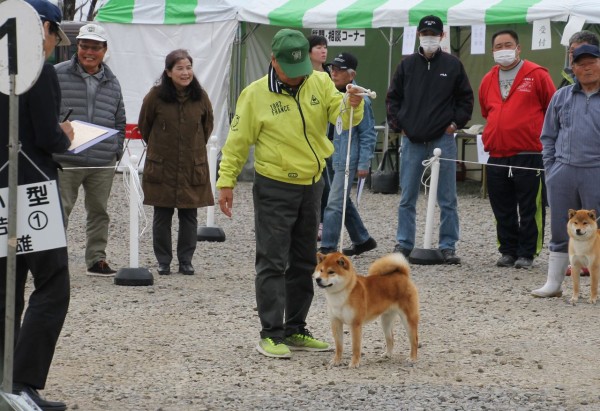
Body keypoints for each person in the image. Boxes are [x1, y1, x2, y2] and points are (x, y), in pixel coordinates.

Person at [216, 29, 364, 359]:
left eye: (301, 71)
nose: (297, 78)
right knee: (272, 259)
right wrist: (226, 182)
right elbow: (237, 142)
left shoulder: (320, 81)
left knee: (303, 260)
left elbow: (340, 118)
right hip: (274, 185)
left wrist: (351, 104)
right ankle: (270, 333)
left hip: (312, 184)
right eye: (289, 71)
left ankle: (296, 328)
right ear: (273, 61)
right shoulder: (254, 95)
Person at [0, 1, 74, 409]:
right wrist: (64, 133)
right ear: (41, 27)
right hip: (33, 188)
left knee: (5, 285)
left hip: (0, 189)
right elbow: (48, 136)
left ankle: (3, 379)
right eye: (53, 35)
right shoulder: (38, 71)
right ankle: (22, 382)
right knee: (52, 283)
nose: (51, 46)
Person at [386, 15, 474, 264]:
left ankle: (448, 245)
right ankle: (404, 243)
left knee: (447, 196)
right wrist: (398, 126)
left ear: (442, 36)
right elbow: (393, 98)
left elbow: (465, 99)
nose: (429, 37)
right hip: (411, 139)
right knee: (407, 195)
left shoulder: (453, 65)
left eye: (434, 34)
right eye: (425, 33)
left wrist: (455, 124)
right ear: (417, 35)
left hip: (442, 138)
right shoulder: (406, 65)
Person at [479, 30, 556, 269]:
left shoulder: (537, 74)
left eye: (508, 44)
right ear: (493, 51)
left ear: (518, 48)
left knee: (530, 205)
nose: (503, 49)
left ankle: (527, 252)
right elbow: (486, 110)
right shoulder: (488, 79)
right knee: (501, 205)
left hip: (529, 152)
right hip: (497, 153)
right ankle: (508, 250)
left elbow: (552, 106)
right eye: (498, 46)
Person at [54, 23, 126, 276]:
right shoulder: (57, 73)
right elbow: (42, 112)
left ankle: (96, 259)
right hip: (66, 157)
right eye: (85, 46)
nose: (89, 52)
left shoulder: (112, 80)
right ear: (78, 46)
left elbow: (119, 118)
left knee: (99, 212)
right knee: (59, 210)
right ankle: (53, 261)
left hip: (101, 161)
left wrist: (115, 151)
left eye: (95, 47)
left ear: (104, 50)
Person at [531, 44, 600, 298]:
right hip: (563, 171)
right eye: (580, 64)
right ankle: (554, 283)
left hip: (596, 169)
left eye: (592, 61)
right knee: (562, 227)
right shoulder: (561, 96)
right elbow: (548, 136)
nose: (587, 68)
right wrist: (552, 169)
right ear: (573, 69)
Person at [138, 49, 214, 276]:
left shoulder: (200, 96)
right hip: (163, 164)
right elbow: (145, 126)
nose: (185, 72)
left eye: (189, 67)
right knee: (162, 215)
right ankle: (163, 260)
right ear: (168, 72)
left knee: (189, 215)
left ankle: (185, 261)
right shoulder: (155, 96)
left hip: (192, 164)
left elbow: (207, 126)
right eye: (179, 68)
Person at [318, 52, 378, 256]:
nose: (334, 73)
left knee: (334, 202)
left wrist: (364, 163)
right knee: (341, 199)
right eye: (333, 68)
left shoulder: (361, 98)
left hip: (347, 158)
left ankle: (328, 246)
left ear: (351, 75)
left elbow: (368, 133)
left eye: (340, 70)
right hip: (331, 156)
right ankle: (362, 239)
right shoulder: (331, 93)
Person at [307, 34, 332, 240]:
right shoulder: (303, 74)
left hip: (331, 134)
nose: (323, 51)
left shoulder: (332, 72)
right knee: (321, 184)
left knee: (328, 186)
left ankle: (324, 223)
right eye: (318, 47)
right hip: (311, 136)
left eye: (325, 47)